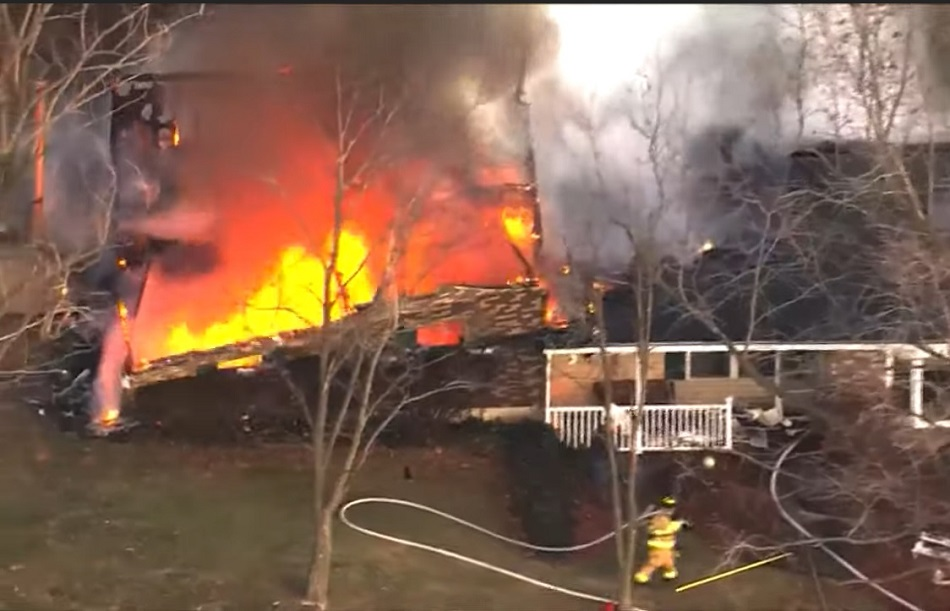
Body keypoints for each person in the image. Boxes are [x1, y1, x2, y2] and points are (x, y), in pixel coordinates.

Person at [633, 496, 689, 585]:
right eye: (667, 507)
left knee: (669, 561)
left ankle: (669, 573)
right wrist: (680, 524)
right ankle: (642, 575)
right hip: (659, 546)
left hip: (667, 547)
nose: (670, 510)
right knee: (654, 563)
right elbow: (667, 527)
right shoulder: (660, 518)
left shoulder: (666, 518)